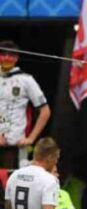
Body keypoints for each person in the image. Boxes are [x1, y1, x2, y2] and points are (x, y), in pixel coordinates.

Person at [0, 40, 51, 169]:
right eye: (3, 54)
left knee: (13, 184)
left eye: (11, 55)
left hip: (16, 146)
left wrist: (31, 138)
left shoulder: (26, 80)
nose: (7, 58)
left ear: (16, 58)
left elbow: (45, 111)